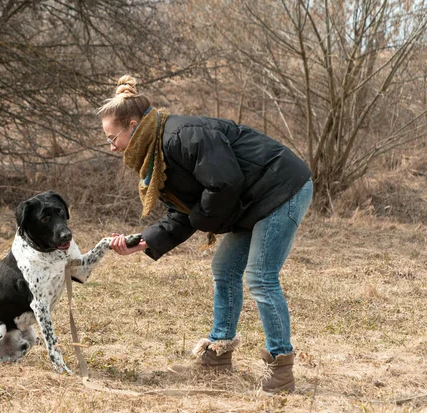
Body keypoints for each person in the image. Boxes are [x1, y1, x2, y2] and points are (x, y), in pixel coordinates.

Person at [99, 75, 312, 393]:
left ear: (132, 124)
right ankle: (218, 352)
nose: (112, 146)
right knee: (224, 269)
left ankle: (281, 369)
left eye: (112, 137)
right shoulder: (158, 153)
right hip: (251, 202)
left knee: (260, 277)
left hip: (282, 189)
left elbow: (223, 183)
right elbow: (184, 212)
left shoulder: (182, 136)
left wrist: (200, 217)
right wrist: (143, 241)